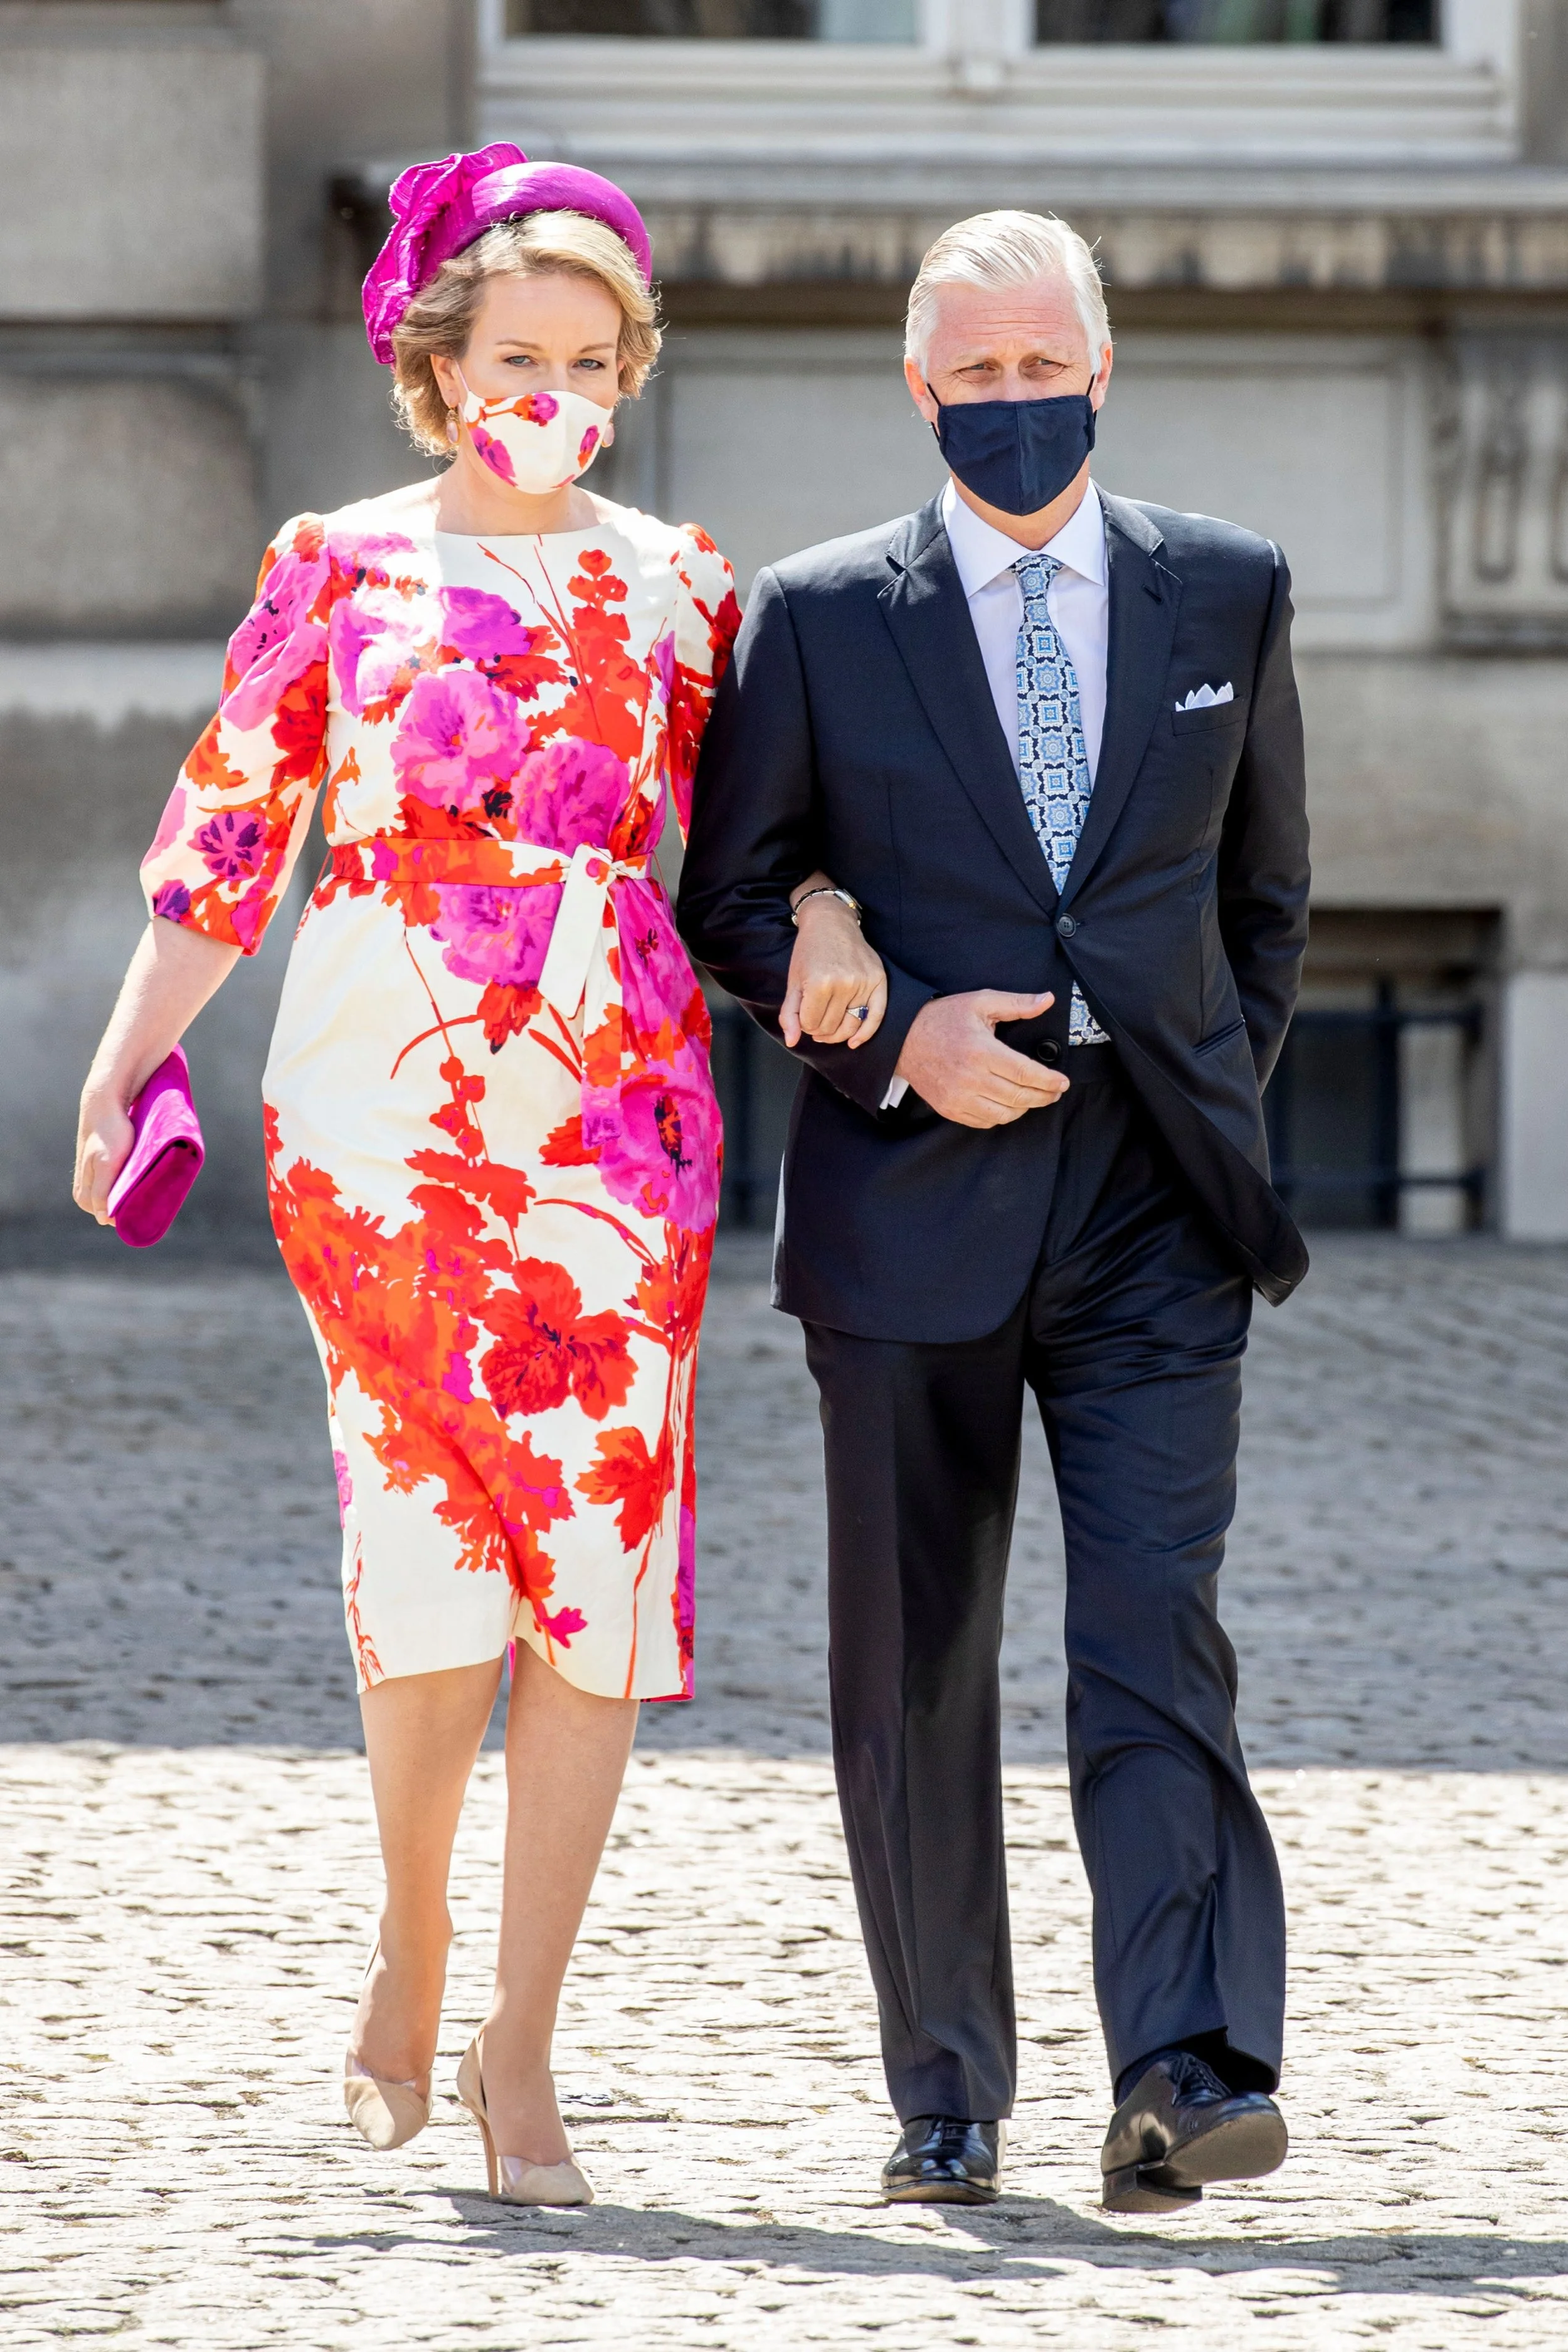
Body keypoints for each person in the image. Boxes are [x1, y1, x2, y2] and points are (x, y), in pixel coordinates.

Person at [72, 145, 883, 2208]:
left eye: (591, 356)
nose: (555, 384)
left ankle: (524, 2036)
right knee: (421, 1553)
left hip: (619, 1131)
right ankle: (410, 1924)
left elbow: (764, 844)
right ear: (439, 360)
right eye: (518, 350)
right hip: (378, 1115)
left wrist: (834, 930)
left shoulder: (683, 586)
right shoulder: (331, 562)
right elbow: (226, 841)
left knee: (592, 1571)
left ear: (629, 372)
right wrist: (121, 1063)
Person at [679, 209, 1311, 2215]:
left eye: (1049, 369)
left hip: (1152, 1208)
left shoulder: (1224, 588)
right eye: (978, 375)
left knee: (1152, 1632)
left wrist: (1193, 1080)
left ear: (1101, 371)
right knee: (915, 1657)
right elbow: (729, 895)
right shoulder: (817, 615)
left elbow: (1266, 902)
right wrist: (887, 1048)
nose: (1017, 403)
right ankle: (942, 2083)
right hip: (909, 1208)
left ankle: (1182, 2064)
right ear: (916, 385)